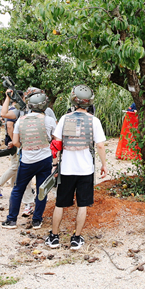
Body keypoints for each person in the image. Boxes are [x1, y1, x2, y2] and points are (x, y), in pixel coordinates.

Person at [45, 85, 106, 250]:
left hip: (66, 168)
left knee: (60, 203)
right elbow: (100, 145)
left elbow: (56, 143)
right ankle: (76, 239)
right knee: (82, 205)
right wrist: (104, 164)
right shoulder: (94, 121)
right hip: (85, 169)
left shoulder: (65, 119)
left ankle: (54, 237)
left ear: (73, 100)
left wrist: (55, 163)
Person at [1, 92, 56, 230]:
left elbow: (15, 142)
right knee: (42, 190)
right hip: (45, 160)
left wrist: (25, 146)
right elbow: (56, 139)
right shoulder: (49, 120)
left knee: (18, 189)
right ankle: (37, 220)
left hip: (27, 160)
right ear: (44, 106)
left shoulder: (21, 120)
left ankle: (11, 220)